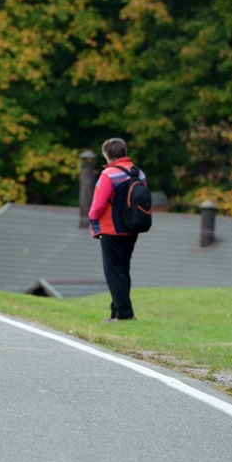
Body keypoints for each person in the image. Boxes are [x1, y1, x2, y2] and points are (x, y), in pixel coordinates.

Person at [88, 137, 146, 323]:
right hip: (132, 228)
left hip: (111, 229)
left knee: (114, 272)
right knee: (123, 270)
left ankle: (125, 315)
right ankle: (117, 313)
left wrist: (91, 218)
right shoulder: (138, 173)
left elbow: (98, 205)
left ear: (107, 154)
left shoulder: (109, 175)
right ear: (124, 152)